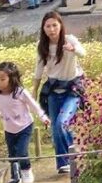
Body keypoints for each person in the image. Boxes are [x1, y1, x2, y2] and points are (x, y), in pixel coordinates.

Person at [31, 12, 85, 174]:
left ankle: (70, 158)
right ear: (43, 28)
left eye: (55, 25)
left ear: (61, 26)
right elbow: (38, 70)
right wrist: (34, 92)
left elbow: (83, 53)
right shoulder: (42, 45)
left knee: (62, 122)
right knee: (56, 128)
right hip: (53, 90)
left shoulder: (70, 40)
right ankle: (64, 162)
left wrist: (73, 49)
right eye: (48, 26)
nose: (51, 29)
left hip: (73, 90)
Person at [0, 61, 49, 183]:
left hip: (24, 126)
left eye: (2, 79)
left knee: (21, 151)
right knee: (12, 154)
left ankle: (26, 171)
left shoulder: (20, 93)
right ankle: (15, 176)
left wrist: (43, 117)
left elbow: (33, 105)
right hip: (9, 128)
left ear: (12, 79)